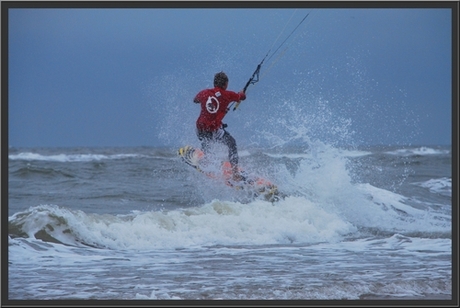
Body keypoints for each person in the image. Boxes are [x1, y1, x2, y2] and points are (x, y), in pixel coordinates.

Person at [193, 72, 247, 181]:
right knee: (232, 143)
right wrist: (241, 93)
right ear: (226, 84)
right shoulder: (228, 95)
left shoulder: (204, 93)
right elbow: (242, 97)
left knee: (206, 140)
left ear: (214, 83)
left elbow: (195, 100)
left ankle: (205, 159)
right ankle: (235, 174)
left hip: (199, 129)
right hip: (213, 129)